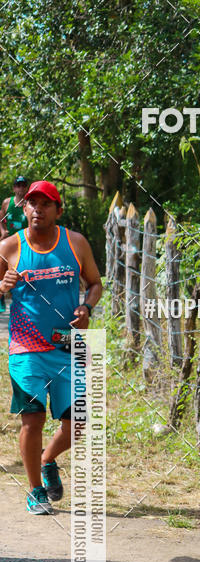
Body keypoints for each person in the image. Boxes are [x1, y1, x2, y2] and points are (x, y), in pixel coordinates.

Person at [0, 180, 102, 514]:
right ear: (24, 209)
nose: (37, 210)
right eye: (31, 203)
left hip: (68, 346)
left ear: (58, 210)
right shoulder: (9, 247)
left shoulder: (75, 243)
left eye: (45, 204)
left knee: (78, 423)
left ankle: (47, 459)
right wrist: (3, 285)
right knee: (33, 418)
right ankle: (35, 490)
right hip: (25, 348)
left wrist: (86, 308)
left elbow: (95, 284)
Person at [0, 176, 29, 312]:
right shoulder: (7, 203)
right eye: (18, 185)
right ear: (14, 188)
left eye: (23, 185)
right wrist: (3, 231)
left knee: (21, 271)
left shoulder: (29, 203)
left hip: (23, 243)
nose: (21, 188)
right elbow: (1, 218)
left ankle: (22, 301)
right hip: (8, 244)